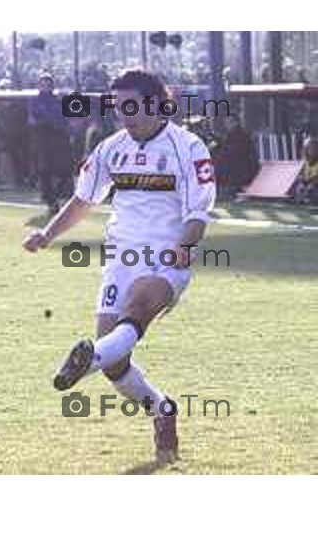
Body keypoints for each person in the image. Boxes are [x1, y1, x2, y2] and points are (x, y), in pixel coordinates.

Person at [22, 70, 216, 463]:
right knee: (117, 365)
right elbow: (82, 201)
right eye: (117, 105)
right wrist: (47, 234)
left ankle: (88, 358)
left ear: (154, 102)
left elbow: (199, 211)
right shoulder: (111, 148)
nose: (122, 113)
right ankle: (161, 408)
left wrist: (186, 244)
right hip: (121, 258)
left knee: (141, 306)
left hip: (167, 255)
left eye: (130, 104)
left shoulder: (188, 146)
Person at [28, 72, 73, 216]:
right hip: (43, 137)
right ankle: (50, 201)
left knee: (64, 170)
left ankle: (56, 196)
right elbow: (33, 119)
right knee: (44, 170)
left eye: (48, 84)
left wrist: (64, 128)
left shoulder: (59, 100)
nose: (46, 87)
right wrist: (46, 121)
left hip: (59, 137)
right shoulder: (35, 101)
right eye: (43, 84)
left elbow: (65, 119)